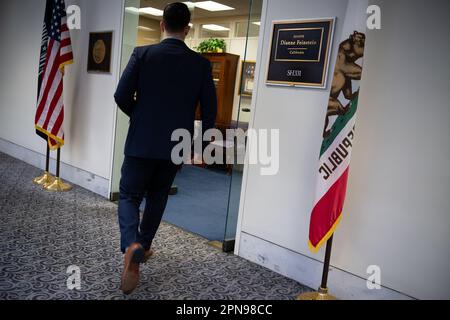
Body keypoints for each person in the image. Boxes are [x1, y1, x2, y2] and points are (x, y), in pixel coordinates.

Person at [114, 2, 217, 295]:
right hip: (175, 145)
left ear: (162, 24)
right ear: (188, 29)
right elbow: (209, 110)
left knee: (130, 195)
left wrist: (140, 115)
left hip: (141, 141)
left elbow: (121, 95)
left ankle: (131, 243)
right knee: (158, 196)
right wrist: (199, 144)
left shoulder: (142, 54)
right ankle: (143, 245)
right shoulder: (200, 64)